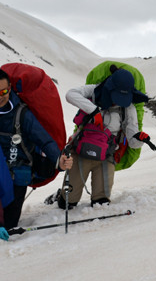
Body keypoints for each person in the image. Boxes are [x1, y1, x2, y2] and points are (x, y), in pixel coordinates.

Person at [0, 69, 73, 228]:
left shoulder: (22, 114)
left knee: (8, 223)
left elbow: (44, 140)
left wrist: (59, 159)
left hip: (17, 175)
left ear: (9, 88)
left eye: (3, 91)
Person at [50, 66, 149, 208]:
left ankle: (96, 196)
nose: (118, 101)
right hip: (80, 152)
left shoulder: (128, 107)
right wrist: (93, 110)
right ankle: (60, 195)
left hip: (106, 157)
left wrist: (140, 139)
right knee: (67, 203)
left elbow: (132, 142)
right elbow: (70, 94)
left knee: (101, 203)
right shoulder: (95, 90)